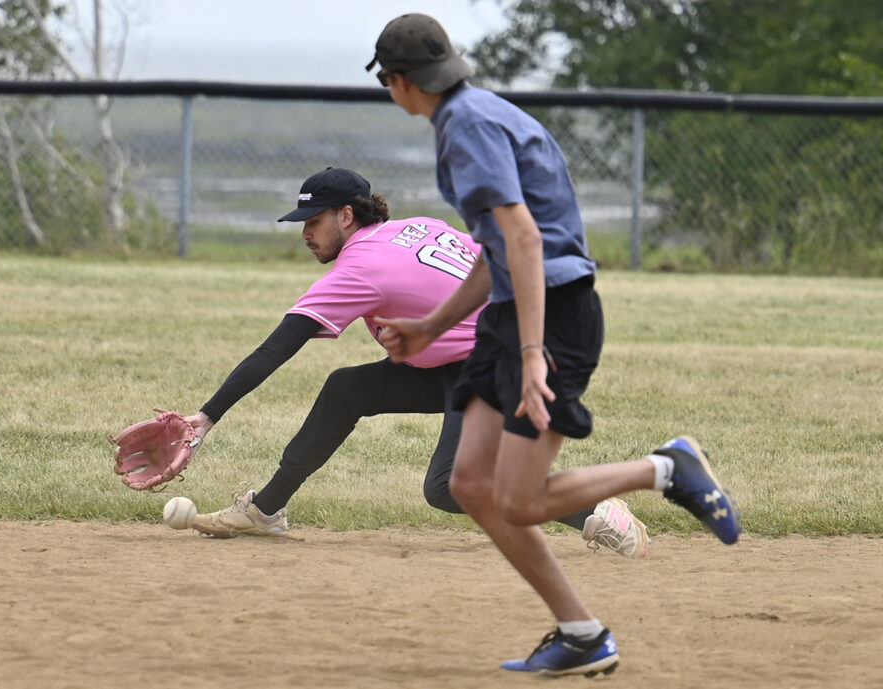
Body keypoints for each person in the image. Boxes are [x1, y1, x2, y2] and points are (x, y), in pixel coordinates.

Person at [366, 13, 741, 678]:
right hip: (511, 314)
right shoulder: (477, 113)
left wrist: (534, 351)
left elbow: (526, 240)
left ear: (398, 81)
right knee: (470, 484)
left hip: (554, 315)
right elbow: (499, 250)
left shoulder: (466, 128)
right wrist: (431, 327)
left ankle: (666, 468)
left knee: (519, 499)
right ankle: (582, 632)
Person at [180, 166, 651, 558]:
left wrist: (205, 418)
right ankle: (265, 511)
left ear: (346, 216)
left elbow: (275, 349)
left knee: (448, 486)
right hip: (486, 354)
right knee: (347, 389)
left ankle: (590, 509)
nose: (305, 233)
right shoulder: (419, 227)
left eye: (314, 221)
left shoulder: (358, 267)